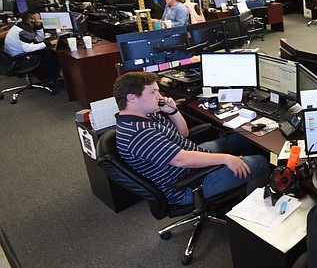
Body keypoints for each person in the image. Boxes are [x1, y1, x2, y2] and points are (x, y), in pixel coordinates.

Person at [113, 71, 270, 205]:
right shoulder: (139, 134)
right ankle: (252, 214)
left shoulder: (144, 115)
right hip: (186, 184)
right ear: (131, 98)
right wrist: (227, 159)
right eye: (153, 92)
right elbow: (180, 160)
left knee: (242, 138)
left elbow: (183, 134)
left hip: (191, 159)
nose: (159, 97)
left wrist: (173, 112)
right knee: (259, 164)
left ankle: (244, 183)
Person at [3, 10, 60, 85]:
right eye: (39, 19)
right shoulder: (24, 32)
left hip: (13, 57)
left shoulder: (20, 26)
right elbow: (28, 49)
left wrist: (39, 25)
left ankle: (49, 78)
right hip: (20, 61)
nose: (41, 20)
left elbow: (39, 39)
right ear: (31, 21)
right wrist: (49, 43)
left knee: (46, 51)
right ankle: (50, 81)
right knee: (54, 58)